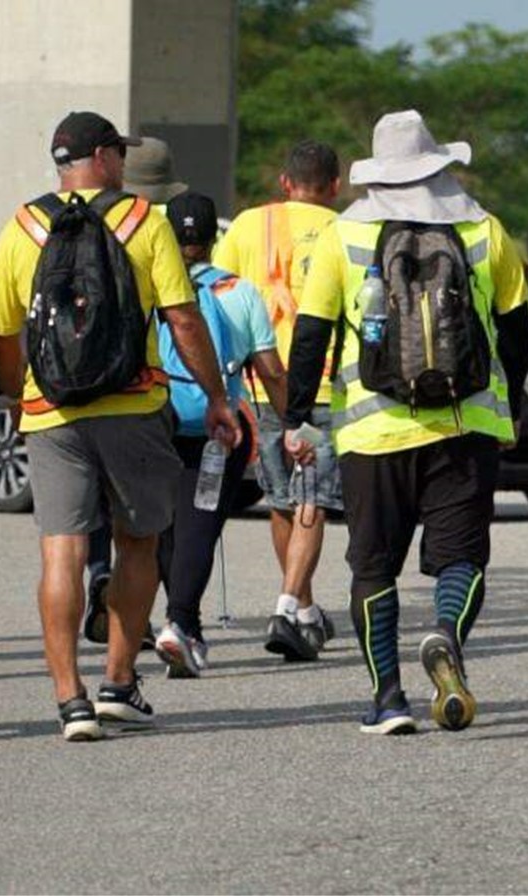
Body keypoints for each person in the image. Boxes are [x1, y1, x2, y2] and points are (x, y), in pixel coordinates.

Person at [0, 111, 239, 741]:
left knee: (62, 548)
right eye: (117, 154)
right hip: (132, 406)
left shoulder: (23, 226)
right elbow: (182, 319)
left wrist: (22, 397)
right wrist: (215, 396)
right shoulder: (143, 223)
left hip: (53, 413)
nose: (123, 164)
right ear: (101, 157)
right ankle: (119, 684)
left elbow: (1, 329)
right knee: (138, 542)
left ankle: (69, 700)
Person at [284, 110, 528, 734]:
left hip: (372, 431)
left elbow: (310, 337)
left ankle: (388, 699)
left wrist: (296, 420)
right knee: (463, 560)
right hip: (464, 422)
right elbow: (516, 327)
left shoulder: (342, 236)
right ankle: (446, 633)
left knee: (372, 568)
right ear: (438, 164)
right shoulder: (481, 229)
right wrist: (514, 407)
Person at [213, 140, 343, 661]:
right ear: (336, 186)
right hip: (328, 386)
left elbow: (218, 295)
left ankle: (304, 612)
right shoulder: (346, 230)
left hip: (268, 383)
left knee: (283, 499)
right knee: (313, 497)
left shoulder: (248, 225)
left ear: (284, 182)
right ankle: (289, 606)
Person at [152, 192, 288, 678]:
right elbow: (269, 368)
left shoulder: (151, 287)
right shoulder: (239, 291)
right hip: (218, 428)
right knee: (200, 526)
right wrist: (289, 417)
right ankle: (182, 623)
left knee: (164, 527)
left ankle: (181, 622)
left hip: (156, 419)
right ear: (214, 238)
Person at [81, 135, 191, 647]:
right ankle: (128, 656)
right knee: (143, 527)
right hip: (141, 389)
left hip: (63, 394)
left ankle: (97, 571)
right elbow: (182, 318)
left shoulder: (59, 221)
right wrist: (215, 395)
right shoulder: (154, 225)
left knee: (78, 523)